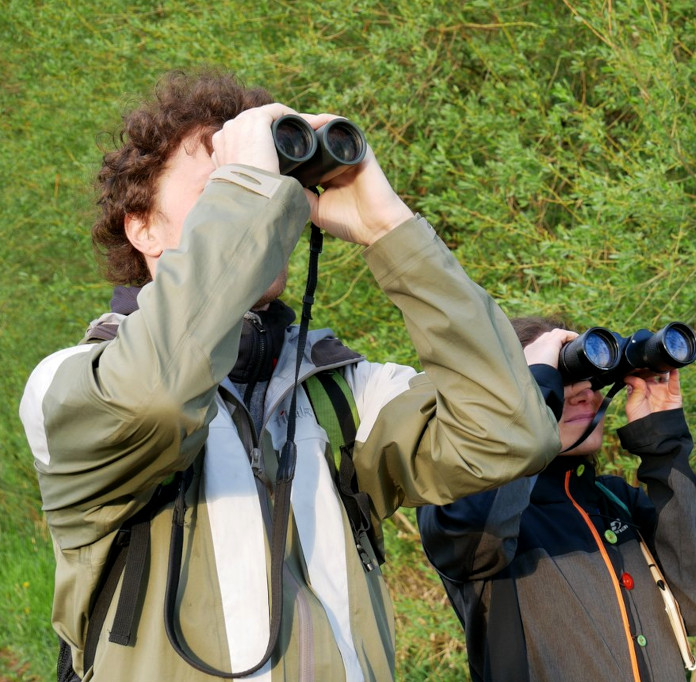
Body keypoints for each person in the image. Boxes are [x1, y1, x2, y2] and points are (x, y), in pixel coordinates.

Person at [19, 70, 561, 681]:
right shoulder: (70, 383)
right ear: (142, 227)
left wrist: (389, 228)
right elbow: (155, 397)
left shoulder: (339, 393)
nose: (267, 210)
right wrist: (246, 189)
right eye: (222, 188)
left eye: (277, 187)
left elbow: (511, 431)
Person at [417, 316, 696, 682]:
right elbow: (474, 528)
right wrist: (533, 398)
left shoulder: (616, 501)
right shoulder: (465, 504)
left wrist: (664, 449)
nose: (585, 390)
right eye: (558, 380)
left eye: (590, 377)